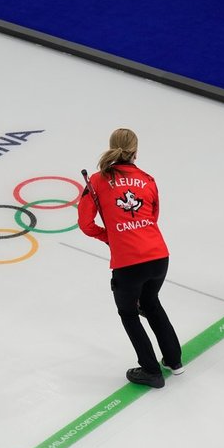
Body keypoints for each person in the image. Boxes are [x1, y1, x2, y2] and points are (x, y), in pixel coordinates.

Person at [78, 128, 183, 388]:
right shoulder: (147, 179)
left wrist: (112, 237)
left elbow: (85, 223)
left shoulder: (97, 181)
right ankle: (174, 360)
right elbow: (153, 216)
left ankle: (151, 371)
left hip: (128, 262)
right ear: (135, 152)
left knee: (128, 313)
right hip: (158, 256)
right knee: (150, 303)